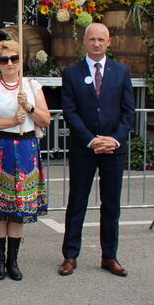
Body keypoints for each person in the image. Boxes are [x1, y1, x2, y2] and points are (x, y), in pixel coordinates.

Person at [59, 22, 135, 277]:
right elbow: (70, 112)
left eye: (101, 39)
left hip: (114, 149)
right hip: (84, 148)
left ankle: (109, 256)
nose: (96, 44)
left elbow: (128, 112)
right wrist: (91, 140)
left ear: (109, 42)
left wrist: (114, 139)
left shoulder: (121, 72)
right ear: (84, 41)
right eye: (92, 39)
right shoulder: (72, 73)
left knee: (111, 204)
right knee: (77, 202)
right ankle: (70, 255)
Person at [0, 40, 51, 281]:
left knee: (17, 207)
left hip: (25, 148)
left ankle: (13, 261)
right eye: (4, 59)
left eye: (14, 58)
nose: (9, 63)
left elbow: (45, 119)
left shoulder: (31, 85)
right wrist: (10, 122)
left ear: (21, 60)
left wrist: (27, 106)